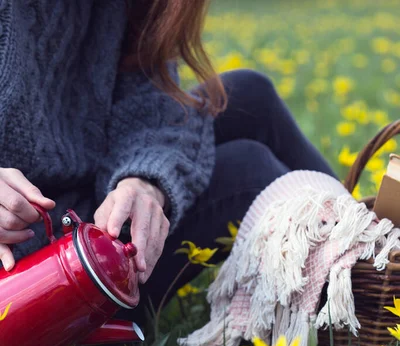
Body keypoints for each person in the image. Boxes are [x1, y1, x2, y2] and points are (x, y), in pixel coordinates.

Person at [0, 0, 335, 324]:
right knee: (253, 171)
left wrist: (143, 179)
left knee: (251, 96)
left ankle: (367, 256)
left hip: (94, 207)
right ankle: (348, 306)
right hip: (34, 284)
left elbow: (147, 100)